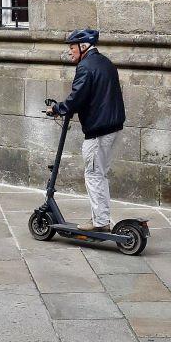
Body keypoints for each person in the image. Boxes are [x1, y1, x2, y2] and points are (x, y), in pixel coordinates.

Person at [44, 28, 125, 232]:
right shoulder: (105, 63)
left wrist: (57, 108)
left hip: (98, 131)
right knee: (100, 174)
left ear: (83, 46)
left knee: (93, 175)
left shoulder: (86, 67)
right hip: (113, 127)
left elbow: (76, 97)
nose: (70, 52)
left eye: (72, 47)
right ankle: (102, 217)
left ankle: (100, 222)